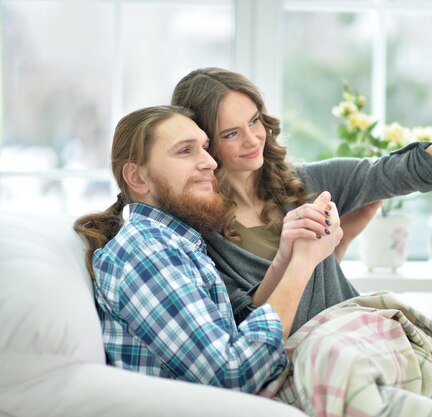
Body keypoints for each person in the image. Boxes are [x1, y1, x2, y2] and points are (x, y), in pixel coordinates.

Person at [171, 67, 432, 332]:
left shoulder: (305, 184)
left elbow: (407, 169)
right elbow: (245, 323)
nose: (252, 139)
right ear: (204, 142)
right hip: (297, 369)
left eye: (254, 121)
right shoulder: (201, 233)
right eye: (231, 134)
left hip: (358, 339)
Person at [73, 105, 344, 394]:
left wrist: (286, 258)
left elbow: (234, 344)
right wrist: (304, 262)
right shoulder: (146, 252)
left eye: (204, 148)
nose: (210, 163)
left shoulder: (176, 244)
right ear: (138, 178)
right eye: (185, 151)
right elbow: (233, 375)